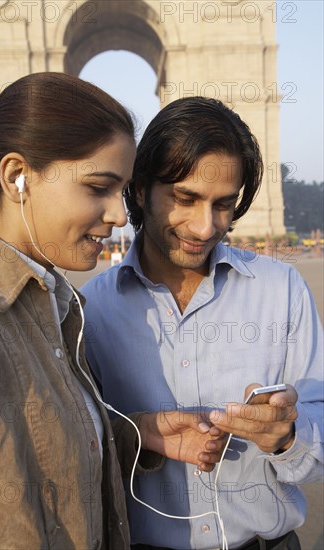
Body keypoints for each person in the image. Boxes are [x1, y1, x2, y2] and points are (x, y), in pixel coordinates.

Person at [0, 76, 228, 549]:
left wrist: (136, 434)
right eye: (98, 187)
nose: (121, 216)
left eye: (122, 191)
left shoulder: (58, 306)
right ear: (16, 176)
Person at [81, 97, 324, 550]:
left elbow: (319, 442)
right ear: (139, 190)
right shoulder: (90, 310)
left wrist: (288, 435)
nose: (204, 227)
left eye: (223, 205)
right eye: (185, 198)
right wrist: (141, 430)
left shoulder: (283, 289)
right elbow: (75, 449)